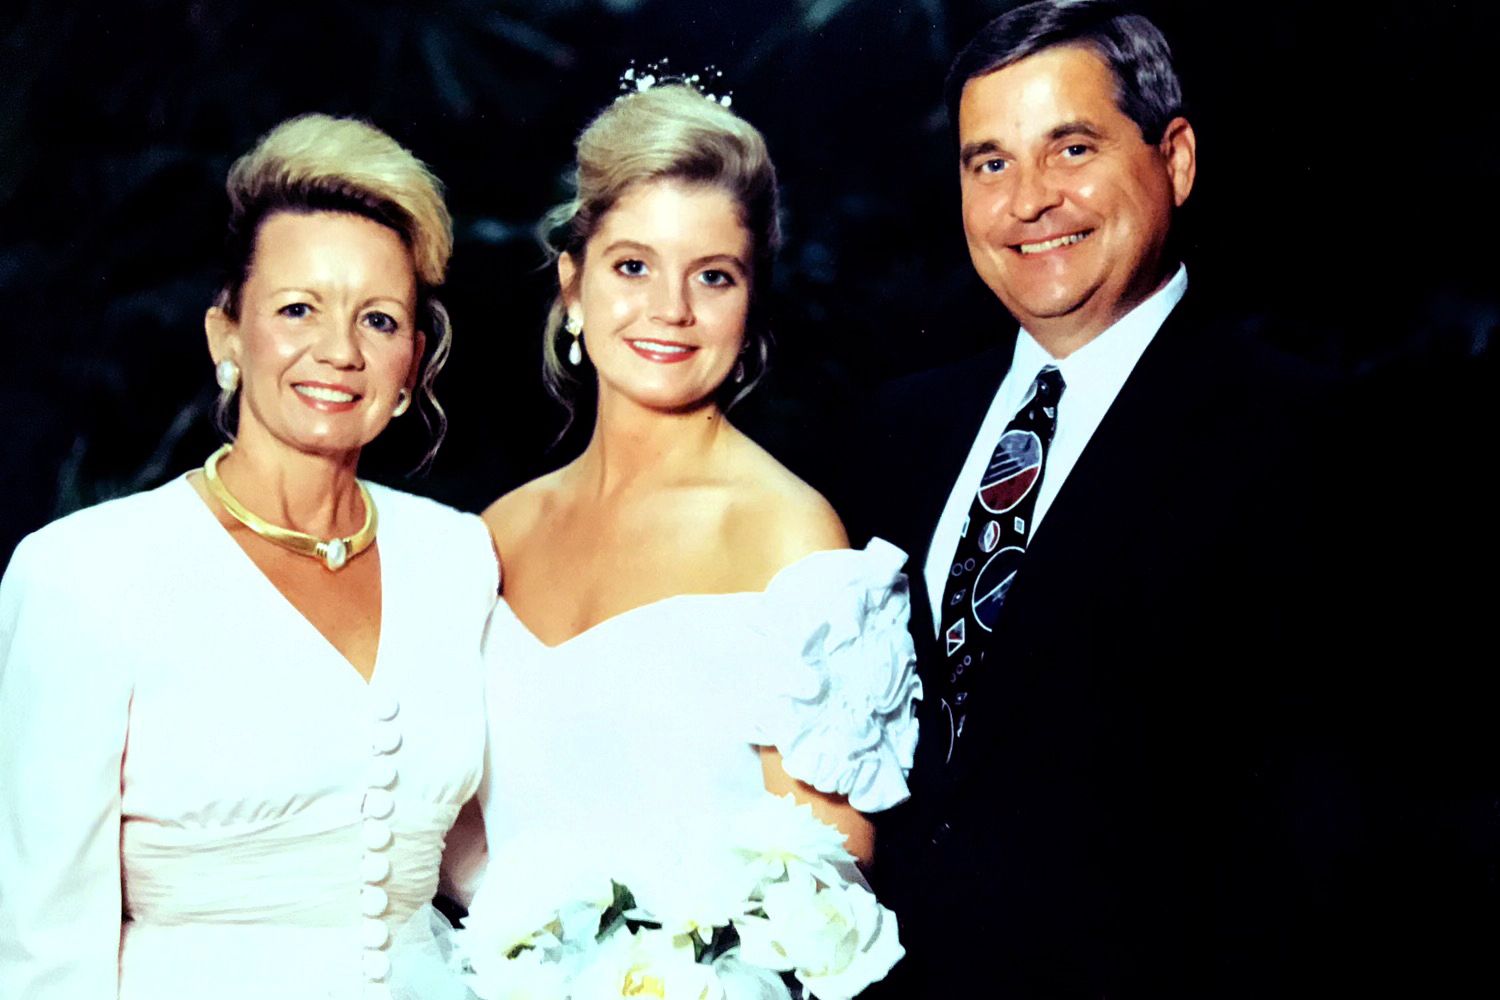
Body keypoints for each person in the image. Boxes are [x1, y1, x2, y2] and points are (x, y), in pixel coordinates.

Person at [839, 2, 1362, 993]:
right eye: (990, 163)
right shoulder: (897, 430)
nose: (1029, 200)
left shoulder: (1305, 438)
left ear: (1177, 159)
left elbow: (1334, 832)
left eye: (1071, 148)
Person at [0, 114, 497, 999]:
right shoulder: (85, 575)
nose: (340, 351)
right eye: (297, 309)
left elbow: (475, 845)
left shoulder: (458, 556)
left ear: (412, 363)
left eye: (378, 320)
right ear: (226, 335)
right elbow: (46, 939)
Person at [468, 81, 921, 904]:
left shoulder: (788, 535)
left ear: (751, 305)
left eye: (713, 277)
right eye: (633, 266)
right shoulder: (500, 531)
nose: (670, 309)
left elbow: (828, 883)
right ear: (572, 284)